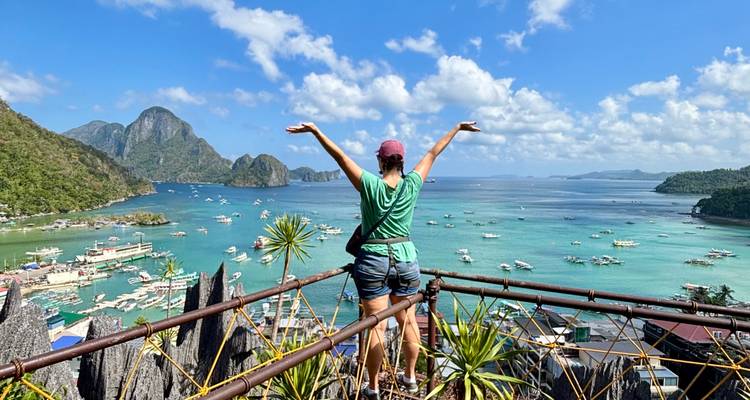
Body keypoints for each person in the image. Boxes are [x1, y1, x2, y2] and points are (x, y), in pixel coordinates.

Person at [286, 121, 481, 399]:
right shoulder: (412, 183)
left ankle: (373, 387)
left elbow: (339, 156)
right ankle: (411, 377)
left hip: (373, 260)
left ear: (380, 160)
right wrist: (457, 128)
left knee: (376, 324)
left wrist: (316, 132)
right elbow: (433, 153)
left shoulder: (369, 184)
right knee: (409, 321)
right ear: (402, 163)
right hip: (406, 259)